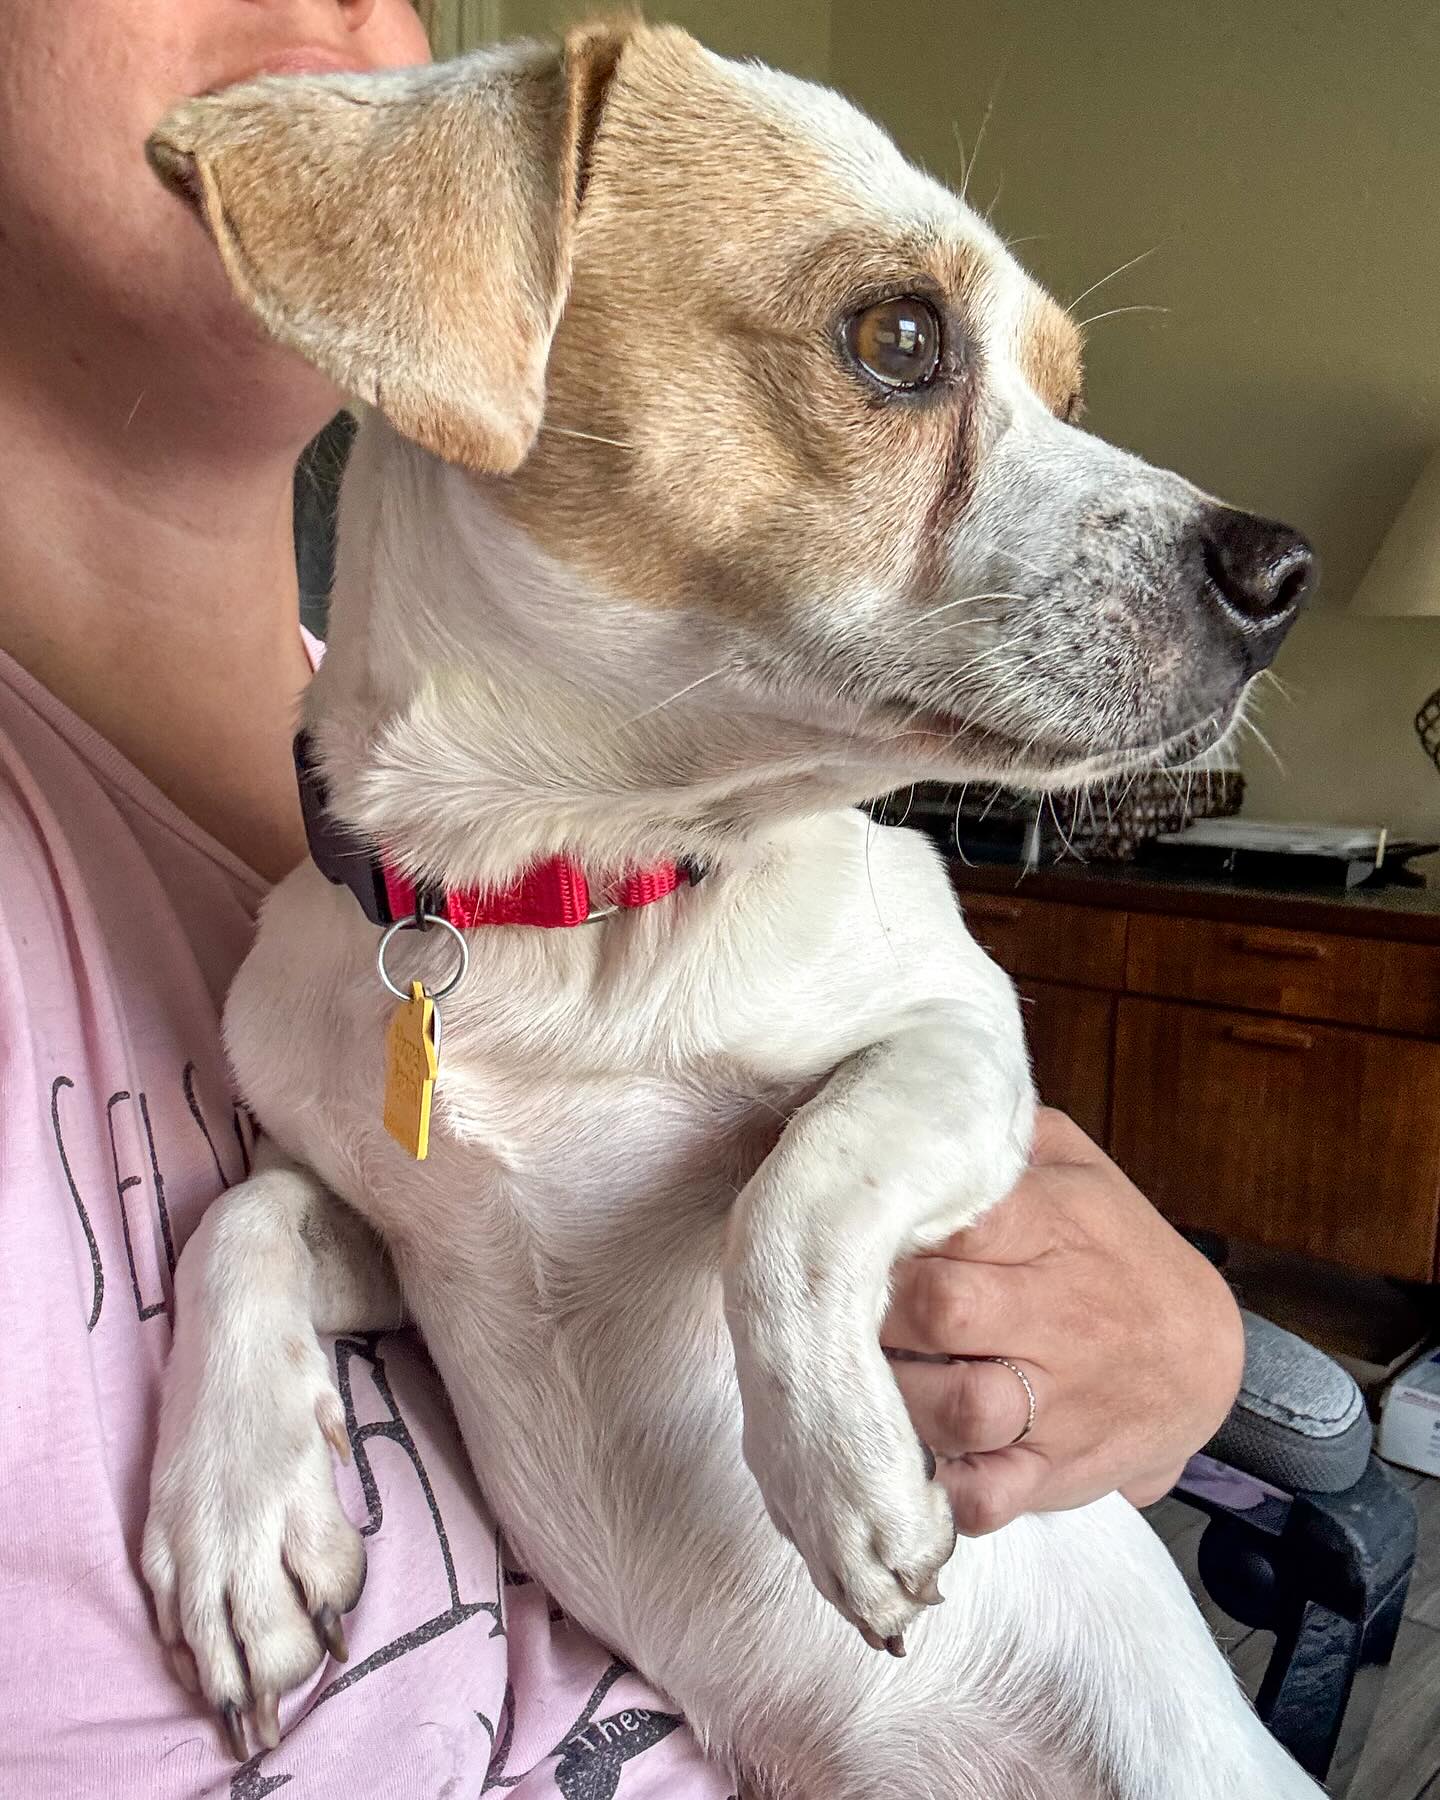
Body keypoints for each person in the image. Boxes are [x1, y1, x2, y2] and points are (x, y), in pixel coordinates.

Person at [0, 2, 1244, 1793]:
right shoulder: (300, 991)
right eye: (895, 344)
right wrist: (255, 1266)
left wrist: (1188, 1348)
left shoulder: (648, 858)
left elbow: (972, 1138)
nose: (361, 21)